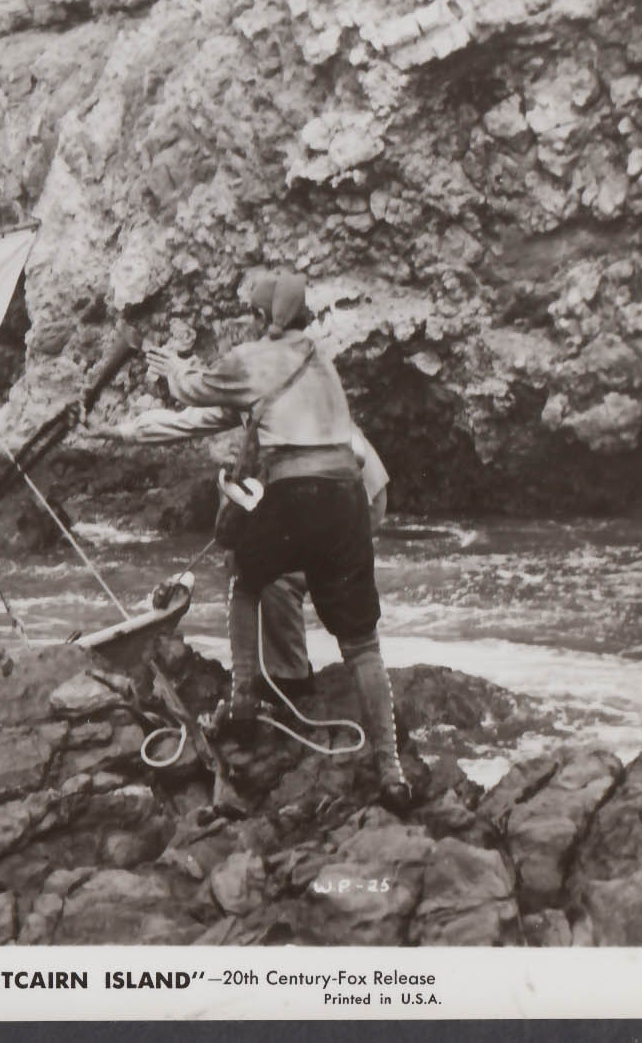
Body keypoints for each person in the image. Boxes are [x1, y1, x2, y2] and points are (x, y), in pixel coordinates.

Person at [92, 269, 410, 809]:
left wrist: (176, 368)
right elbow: (206, 418)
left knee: (248, 577)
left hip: (298, 490)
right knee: (361, 642)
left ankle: (243, 699)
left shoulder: (252, 360)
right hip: (349, 499)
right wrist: (126, 431)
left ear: (263, 319)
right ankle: (391, 767)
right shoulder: (321, 363)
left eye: (253, 315)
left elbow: (192, 393)